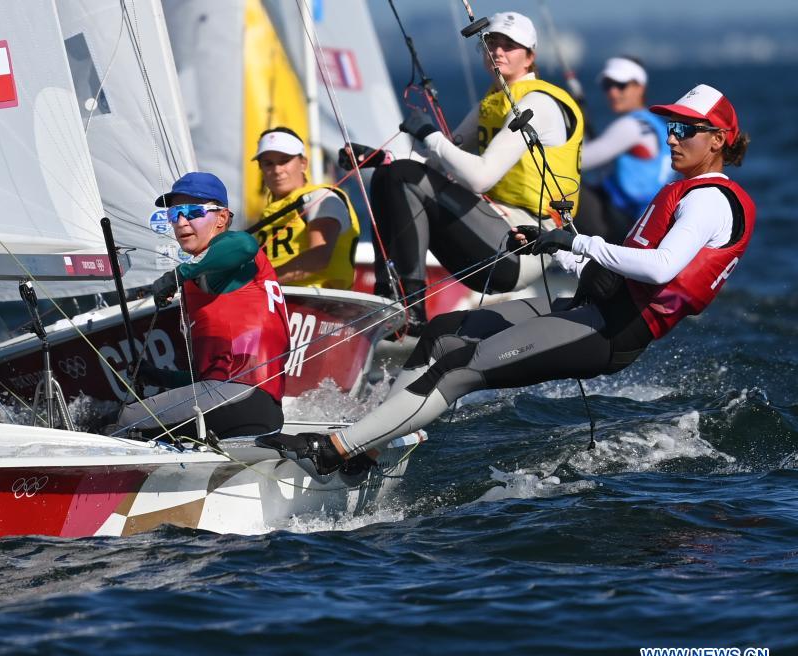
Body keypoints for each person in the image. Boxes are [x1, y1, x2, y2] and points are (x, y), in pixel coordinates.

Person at [260, 84, 754, 475]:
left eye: (686, 130)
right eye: (670, 126)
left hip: (613, 329)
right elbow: (620, 265)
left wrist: (576, 243)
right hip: (591, 305)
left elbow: (661, 268)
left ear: (718, 140)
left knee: (458, 368)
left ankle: (335, 450)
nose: (672, 137)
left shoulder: (708, 200)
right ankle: (367, 449)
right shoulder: (688, 190)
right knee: (443, 333)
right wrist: (552, 246)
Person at [366, 11, 584, 331]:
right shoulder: (493, 102)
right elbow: (437, 160)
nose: (498, 51)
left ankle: (412, 313)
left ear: (530, 57)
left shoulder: (538, 104)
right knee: (388, 175)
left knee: (402, 176)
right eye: (491, 43)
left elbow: (479, 177)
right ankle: (389, 298)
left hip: (524, 246)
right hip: (491, 232)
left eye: (509, 45)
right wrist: (380, 157)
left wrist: (430, 134)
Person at [114, 172, 291, 440]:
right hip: (251, 408)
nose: (181, 222)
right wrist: (159, 377)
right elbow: (208, 380)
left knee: (124, 421)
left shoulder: (230, 254)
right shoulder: (204, 273)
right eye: (174, 214)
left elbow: (245, 244)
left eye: (192, 212)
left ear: (222, 218)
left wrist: (177, 275)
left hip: (241, 398)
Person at [250, 127, 361, 289]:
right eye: (268, 163)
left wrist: (257, 282)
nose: (277, 170)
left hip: (317, 300)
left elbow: (319, 258)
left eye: (284, 161)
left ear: (303, 163)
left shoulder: (321, 197)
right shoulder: (266, 215)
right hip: (274, 297)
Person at [577, 56, 673, 242]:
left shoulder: (631, 126)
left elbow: (577, 161)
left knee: (557, 184)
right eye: (608, 85)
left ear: (640, 87)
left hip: (621, 222)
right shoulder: (658, 126)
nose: (613, 92)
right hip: (644, 226)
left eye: (621, 85)